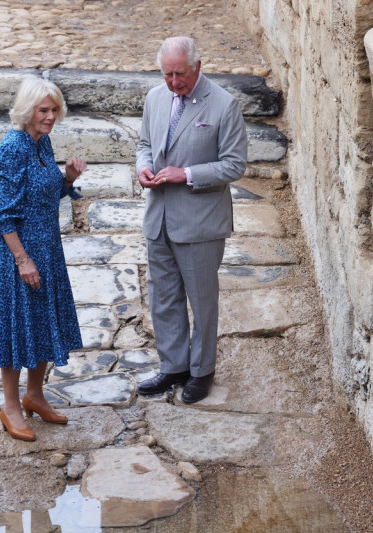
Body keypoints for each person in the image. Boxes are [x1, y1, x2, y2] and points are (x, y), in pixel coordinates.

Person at [136, 36, 247, 403]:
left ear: (198, 66)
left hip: (200, 223)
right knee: (163, 298)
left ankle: (202, 371)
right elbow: (144, 145)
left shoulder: (224, 105)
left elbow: (234, 164)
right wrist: (143, 168)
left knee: (201, 302)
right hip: (159, 218)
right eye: (167, 74)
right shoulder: (155, 98)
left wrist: (185, 173)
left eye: (180, 74)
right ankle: (174, 366)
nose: (173, 83)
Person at [0, 76, 86, 441]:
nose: (51, 116)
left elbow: (45, 194)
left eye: (54, 109)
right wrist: (23, 260)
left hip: (48, 248)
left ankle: (35, 395)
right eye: (44, 110)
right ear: (27, 110)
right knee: (16, 328)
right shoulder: (12, 147)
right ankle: (10, 407)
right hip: (19, 252)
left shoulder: (43, 143)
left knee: (44, 321)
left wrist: (68, 180)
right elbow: (5, 215)